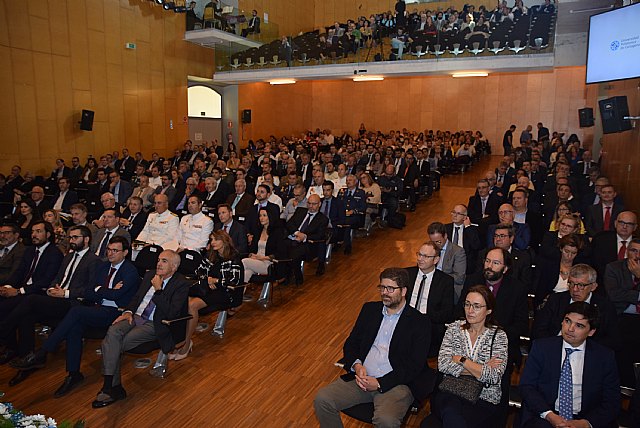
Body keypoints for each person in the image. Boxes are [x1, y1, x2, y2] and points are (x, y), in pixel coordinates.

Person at [9, 236, 140, 397]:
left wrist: (100, 290)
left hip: (115, 312)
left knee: (76, 312)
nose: (110, 253)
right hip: (97, 308)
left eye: (115, 250)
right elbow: (90, 291)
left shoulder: (130, 271)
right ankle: (73, 374)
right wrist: (104, 291)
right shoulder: (103, 266)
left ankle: (42, 352)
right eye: (108, 250)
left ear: (125, 252)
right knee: (74, 327)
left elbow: (116, 296)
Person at [314, 268, 433, 428]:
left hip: (396, 383)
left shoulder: (420, 322)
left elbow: (414, 366)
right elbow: (351, 343)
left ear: (404, 291)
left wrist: (379, 383)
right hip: (362, 378)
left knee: (386, 420)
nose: (384, 293)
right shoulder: (369, 310)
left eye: (390, 289)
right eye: (382, 287)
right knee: (323, 399)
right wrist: (357, 365)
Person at [93, 250, 189, 407]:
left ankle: (111, 387)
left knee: (112, 345)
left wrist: (158, 290)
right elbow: (137, 298)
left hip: (154, 323)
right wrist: (128, 311)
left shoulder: (181, 284)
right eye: (158, 260)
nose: (159, 264)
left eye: (164, 261)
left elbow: (172, 312)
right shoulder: (150, 274)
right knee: (113, 331)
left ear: (174, 267)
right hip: (135, 316)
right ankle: (111, 387)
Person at [0, 225, 100, 371]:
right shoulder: (68, 257)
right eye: (70, 237)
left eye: (75, 237)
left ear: (86, 239)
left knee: (31, 299)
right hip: (57, 298)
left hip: (73, 302)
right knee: (27, 314)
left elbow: (90, 289)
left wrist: (65, 293)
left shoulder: (94, 260)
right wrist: (52, 289)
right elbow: (56, 279)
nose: (71, 240)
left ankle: (3, 330)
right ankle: (27, 355)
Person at [519, 302, 620, 428]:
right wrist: (549, 415)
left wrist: (585, 423)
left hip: (585, 418)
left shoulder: (604, 357)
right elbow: (527, 387)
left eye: (579, 325)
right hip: (546, 415)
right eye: (567, 321)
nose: (570, 329)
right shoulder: (542, 348)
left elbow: (612, 401)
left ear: (591, 332)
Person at [430, 285, 508, 428]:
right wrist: (482, 368)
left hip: (484, 397)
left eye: (477, 306)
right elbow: (443, 365)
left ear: (489, 310)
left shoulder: (499, 336)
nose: (470, 310)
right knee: (450, 411)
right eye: (467, 304)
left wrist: (462, 360)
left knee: (457, 419)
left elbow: (494, 376)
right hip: (450, 391)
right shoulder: (454, 328)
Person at [175, 231, 243, 360]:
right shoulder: (211, 255)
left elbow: (234, 281)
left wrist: (216, 281)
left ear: (224, 240)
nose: (213, 243)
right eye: (211, 240)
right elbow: (199, 272)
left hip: (226, 293)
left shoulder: (234, 258)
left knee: (192, 305)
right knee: (183, 300)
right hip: (208, 289)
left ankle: (186, 343)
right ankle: (179, 340)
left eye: (216, 239)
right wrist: (208, 280)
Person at [533, 264, 618, 349]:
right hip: (553, 346)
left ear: (593, 286)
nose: (575, 289)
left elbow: (611, 339)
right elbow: (539, 330)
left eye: (581, 285)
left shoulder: (605, 306)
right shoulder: (556, 300)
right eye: (571, 283)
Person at [404, 241, 454, 356]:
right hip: (405, 320)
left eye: (426, 256)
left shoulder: (445, 281)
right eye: (419, 254)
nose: (420, 259)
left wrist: (423, 318)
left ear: (436, 260)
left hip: (429, 324)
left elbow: (446, 313)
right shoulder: (406, 274)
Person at [604, 238, 640, 388]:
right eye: (634, 250)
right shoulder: (614, 268)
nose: (637, 255)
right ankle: (626, 387)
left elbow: (621, 294)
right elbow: (614, 295)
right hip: (621, 317)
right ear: (626, 252)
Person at [285, 194, 329, 281]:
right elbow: (289, 224)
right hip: (293, 238)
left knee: (295, 252)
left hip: (307, 244)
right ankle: (283, 274)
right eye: (309, 203)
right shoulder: (300, 211)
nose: (311, 206)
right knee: (280, 247)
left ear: (319, 204)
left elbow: (319, 235)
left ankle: (296, 276)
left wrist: (304, 237)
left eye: (314, 204)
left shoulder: (323, 219)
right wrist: (297, 233)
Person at [427, 222, 467, 301]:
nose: (435, 245)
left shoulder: (457, 252)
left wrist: (437, 277)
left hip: (449, 287)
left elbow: (459, 278)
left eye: (438, 241)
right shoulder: (430, 249)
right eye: (432, 242)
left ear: (445, 236)